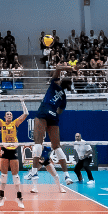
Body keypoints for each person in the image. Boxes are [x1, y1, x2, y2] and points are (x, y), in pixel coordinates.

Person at [31, 63, 75, 193]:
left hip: (44, 110)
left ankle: (34, 173)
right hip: (54, 115)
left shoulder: (54, 84)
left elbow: (57, 70)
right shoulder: (64, 97)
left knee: (38, 142)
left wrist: (68, 68)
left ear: (61, 81)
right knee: (56, 146)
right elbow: (60, 111)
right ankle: (67, 175)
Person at [0, 98, 29, 209]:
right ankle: (1, 197)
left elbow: (26, 113)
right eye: (7, 114)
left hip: (13, 150)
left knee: (16, 177)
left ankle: (19, 198)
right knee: (3, 176)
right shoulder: (1, 124)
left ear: (12, 117)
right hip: (4, 149)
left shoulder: (15, 123)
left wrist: (22, 101)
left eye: (10, 114)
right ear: (4, 117)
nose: (9, 115)